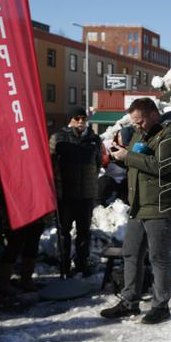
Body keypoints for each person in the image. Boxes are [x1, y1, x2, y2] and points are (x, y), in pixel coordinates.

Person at [101, 98, 171, 324]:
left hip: (162, 204)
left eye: (139, 121)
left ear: (153, 115)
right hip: (139, 204)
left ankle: (161, 306)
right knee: (131, 252)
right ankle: (129, 302)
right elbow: (139, 162)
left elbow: (163, 167)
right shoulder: (144, 131)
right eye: (134, 123)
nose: (136, 127)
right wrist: (119, 155)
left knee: (158, 257)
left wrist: (127, 156)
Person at [0, 130, 44, 295]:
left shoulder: (34, 146)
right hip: (13, 204)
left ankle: (26, 279)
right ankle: (4, 283)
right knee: (15, 242)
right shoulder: (0, 152)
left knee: (33, 239)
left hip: (34, 200)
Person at [50, 107, 103, 277]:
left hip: (86, 194)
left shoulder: (94, 139)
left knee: (84, 232)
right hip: (65, 193)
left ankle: (82, 263)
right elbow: (51, 162)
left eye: (83, 118)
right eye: (77, 118)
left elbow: (98, 163)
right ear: (70, 119)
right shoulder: (59, 137)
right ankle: (64, 264)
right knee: (64, 232)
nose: (81, 121)